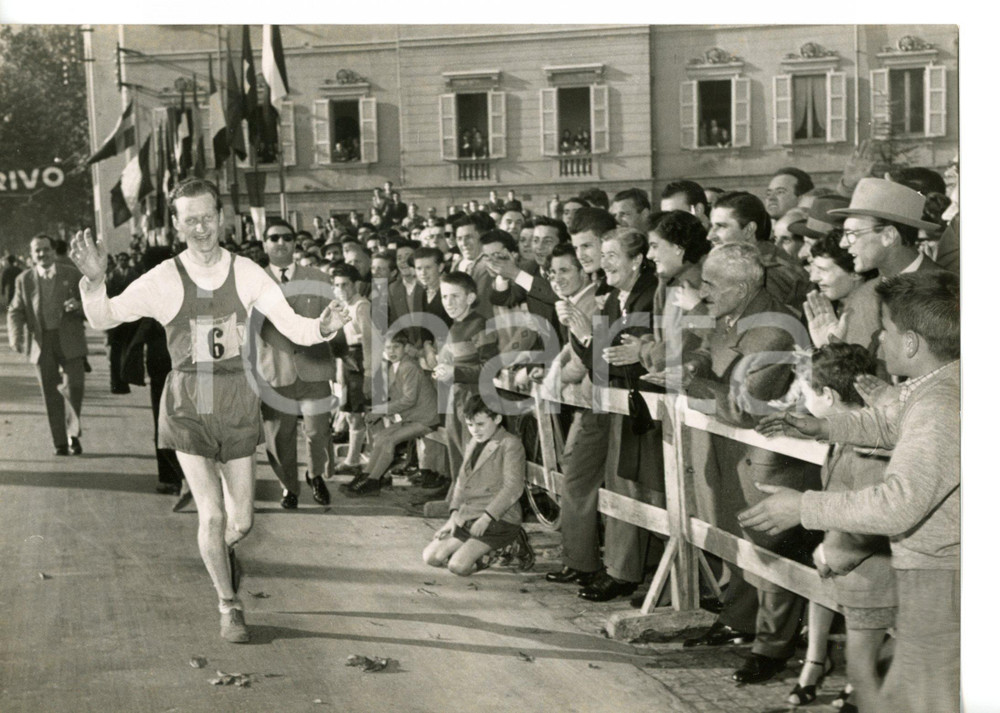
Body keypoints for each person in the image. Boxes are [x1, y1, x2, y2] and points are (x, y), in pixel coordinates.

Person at [68, 178, 345, 645]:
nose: (200, 227)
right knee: (212, 516)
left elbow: (296, 329)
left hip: (236, 399)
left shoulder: (249, 272)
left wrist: (324, 325)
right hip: (189, 402)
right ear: (176, 225)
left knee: (242, 522)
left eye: (207, 217)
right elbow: (104, 317)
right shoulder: (163, 278)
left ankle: (216, 551)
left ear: (222, 217)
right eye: (189, 219)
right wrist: (95, 282)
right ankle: (228, 605)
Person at [745, 271, 960, 713]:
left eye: (886, 330)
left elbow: (898, 502)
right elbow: (887, 424)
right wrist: (823, 425)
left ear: (913, 344)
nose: (877, 341)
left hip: (941, 574)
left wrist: (802, 507)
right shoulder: (938, 385)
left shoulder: (939, 404)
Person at [680, 243, 820, 685]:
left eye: (710, 285)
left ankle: (772, 650)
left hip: (776, 463)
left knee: (773, 554)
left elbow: (746, 406)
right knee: (741, 543)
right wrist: (692, 365)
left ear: (741, 288)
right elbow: (708, 348)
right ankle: (742, 623)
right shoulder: (731, 312)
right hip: (738, 455)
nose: (703, 293)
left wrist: (691, 383)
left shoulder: (775, 328)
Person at [783, 343, 895, 713]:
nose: (801, 399)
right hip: (841, 545)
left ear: (828, 396)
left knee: (865, 629)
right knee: (826, 589)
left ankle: (861, 685)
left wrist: (835, 552)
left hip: (872, 563)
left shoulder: (866, 446)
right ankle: (820, 663)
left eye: (805, 392)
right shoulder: (843, 432)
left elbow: (873, 519)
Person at [252, 220, 336, 510]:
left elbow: (334, 320)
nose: (281, 243)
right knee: (280, 436)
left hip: (314, 368)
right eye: (274, 238)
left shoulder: (319, 278)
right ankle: (288, 486)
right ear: (264, 244)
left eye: (287, 237)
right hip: (273, 371)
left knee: (318, 432)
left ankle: (315, 474)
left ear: (295, 243)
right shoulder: (252, 282)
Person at [421, 394, 532, 576]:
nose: (475, 430)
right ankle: (472, 547)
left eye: (480, 424)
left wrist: (486, 518)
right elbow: (462, 481)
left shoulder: (510, 444)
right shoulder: (473, 441)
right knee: (431, 557)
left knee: (458, 567)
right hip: (470, 515)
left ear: (497, 418)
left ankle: (512, 544)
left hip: (498, 518)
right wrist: (453, 516)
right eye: (470, 425)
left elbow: (513, 488)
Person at [7, 234, 87, 456]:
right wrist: (16, 337)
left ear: (54, 251)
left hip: (70, 340)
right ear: (32, 255)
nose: (42, 254)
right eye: (37, 251)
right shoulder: (24, 280)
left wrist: (78, 306)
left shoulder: (71, 275)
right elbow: (15, 310)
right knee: (50, 393)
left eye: (46, 249)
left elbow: (92, 300)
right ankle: (60, 442)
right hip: (42, 344)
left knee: (75, 388)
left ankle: (73, 434)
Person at [344, 331, 440, 497]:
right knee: (381, 437)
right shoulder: (394, 367)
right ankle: (367, 475)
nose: (391, 351)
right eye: (388, 348)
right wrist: (377, 411)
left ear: (406, 348)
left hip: (426, 418)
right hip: (412, 417)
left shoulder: (408, 366)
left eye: (396, 347)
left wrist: (380, 412)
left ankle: (373, 481)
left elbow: (409, 400)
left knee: (389, 439)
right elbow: (396, 397)